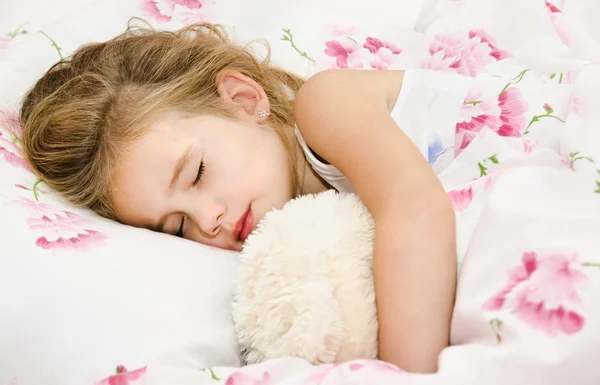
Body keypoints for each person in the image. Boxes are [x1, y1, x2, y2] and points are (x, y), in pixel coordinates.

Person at [19, 20, 457, 373]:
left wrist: (406, 376)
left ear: (244, 100)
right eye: (177, 226)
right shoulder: (297, 243)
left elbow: (415, 208)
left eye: (197, 174)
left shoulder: (327, 104)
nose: (208, 221)